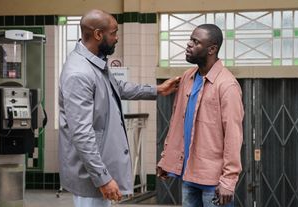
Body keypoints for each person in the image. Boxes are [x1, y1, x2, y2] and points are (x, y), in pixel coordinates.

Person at [58, 9, 180, 207]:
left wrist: (157, 89)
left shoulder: (94, 63)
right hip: (90, 177)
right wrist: (103, 178)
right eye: (114, 33)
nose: (117, 38)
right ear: (98, 34)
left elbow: (119, 87)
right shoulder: (79, 74)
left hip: (98, 170)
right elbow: (81, 134)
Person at [157, 24, 244, 207]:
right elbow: (176, 122)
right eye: (190, 39)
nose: (188, 45)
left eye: (196, 42)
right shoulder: (187, 77)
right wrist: (167, 158)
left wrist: (229, 180)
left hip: (214, 182)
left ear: (212, 49)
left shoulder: (227, 85)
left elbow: (233, 135)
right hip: (189, 175)